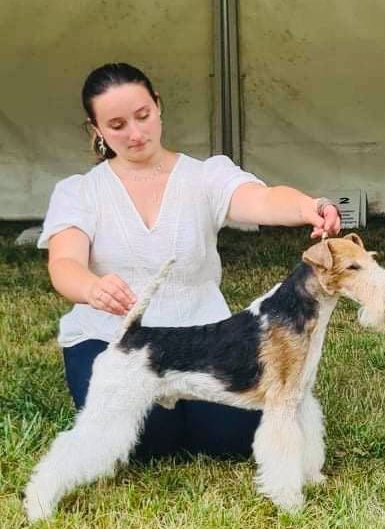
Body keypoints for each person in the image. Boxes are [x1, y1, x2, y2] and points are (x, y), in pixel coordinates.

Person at [38, 62, 341, 461]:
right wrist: (91, 287)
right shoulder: (78, 192)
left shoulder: (206, 175)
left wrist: (308, 205)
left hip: (204, 336)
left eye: (143, 116)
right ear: (95, 130)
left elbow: (261, 199)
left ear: (158, 106)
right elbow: (64, 263)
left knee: (234, 438)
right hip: (111, 335)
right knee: (146, 443)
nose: (135, 133)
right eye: (116, 125)